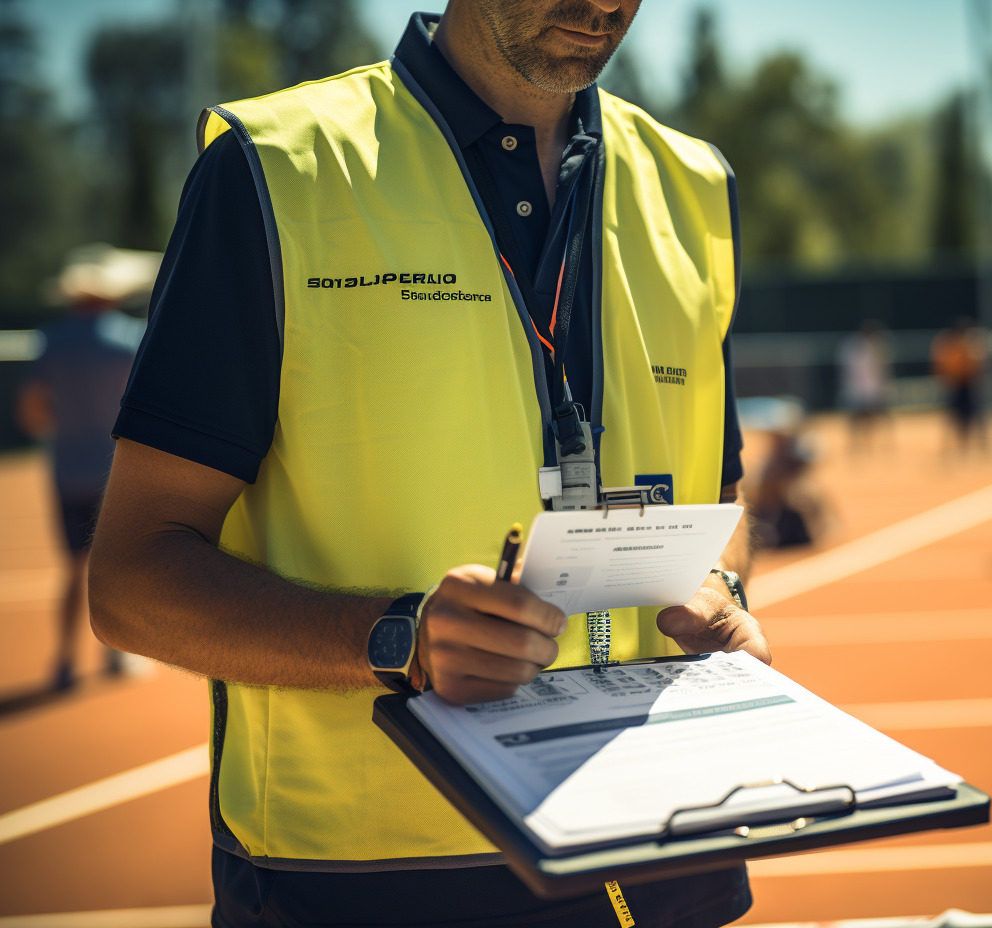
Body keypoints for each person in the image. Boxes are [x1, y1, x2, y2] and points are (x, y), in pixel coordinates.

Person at [88, 3, 769, 926]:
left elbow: (716, 499)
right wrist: (397, 641)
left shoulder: (693, 184)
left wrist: (726, 594)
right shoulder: (278, 168)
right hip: (373, 882)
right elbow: (132, 577)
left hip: (665, 849)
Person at [15, 247, 146, 690]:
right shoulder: (130, 338)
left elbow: (31, 408)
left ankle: (65, 661)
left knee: (72, 567)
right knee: (115, 568)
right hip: (116, 471)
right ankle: (115, 655)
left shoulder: (52, 339)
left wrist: (59, 430)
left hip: (66, 470)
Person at [931, 316, 987, 453]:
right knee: (954, 416)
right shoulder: (948, 343)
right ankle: (952, 445)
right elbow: (941, 364)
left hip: (967, 384)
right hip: (955, 384)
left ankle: (977, 445)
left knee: (972, 415)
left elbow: (977, 364)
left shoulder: (969, 342)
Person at [837, 319, 892, 455]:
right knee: (857, 418)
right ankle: (856, 444)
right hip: (857, 388)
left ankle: (875, 444)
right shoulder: (852, 346)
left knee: (875, 417)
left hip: (871, 388)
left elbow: (880, 369)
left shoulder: (874, 346)